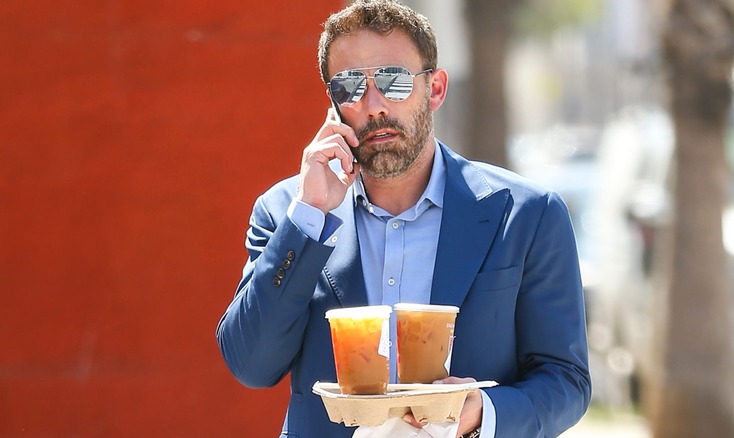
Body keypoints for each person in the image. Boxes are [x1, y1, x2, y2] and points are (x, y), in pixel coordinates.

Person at [216, 1, 591, 437]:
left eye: (394, 81)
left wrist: (481, 414)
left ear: (434, 89)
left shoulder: (527, 214)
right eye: (350, 87)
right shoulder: (289, 214)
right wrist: (308, 219)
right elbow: (251, 365)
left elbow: (567, 379)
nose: (373, 106)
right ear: (333, 105)